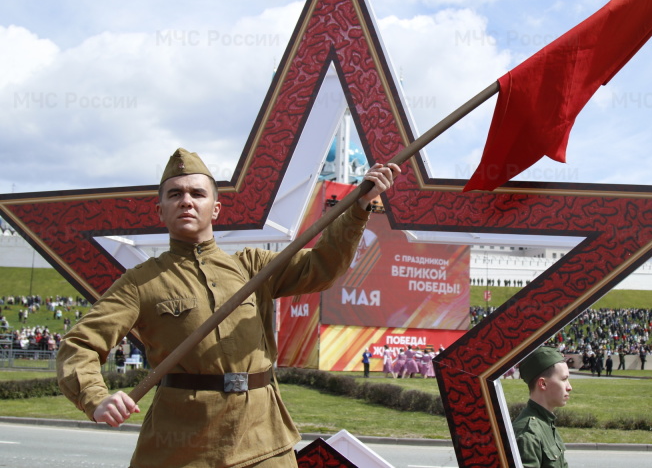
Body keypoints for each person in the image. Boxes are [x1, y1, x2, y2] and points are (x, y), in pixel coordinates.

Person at [56, 148, 398, 468]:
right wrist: (96, 398)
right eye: (175, 194)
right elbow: (79, 345)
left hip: (264, 438)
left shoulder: (252, 267)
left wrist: (358, 206)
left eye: (197, 194)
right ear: (160, 210)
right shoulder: (140, 283)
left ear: (215, 209)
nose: (186, 201)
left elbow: (321, 266)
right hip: (181, 449)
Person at [512, 346, 571, 468]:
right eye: (564, 379)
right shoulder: (528, 434)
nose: (569, 387)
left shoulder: (545, 422)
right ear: (543, 384)